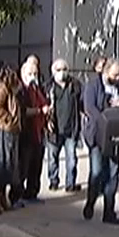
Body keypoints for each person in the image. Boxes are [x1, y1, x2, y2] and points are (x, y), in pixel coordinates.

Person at [82, 59, 119, 225]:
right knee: (96, 171)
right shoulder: (93, 85)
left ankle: (109, 211)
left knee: (113, 174)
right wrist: (105, 120)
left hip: (116, 136)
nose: (118, 78)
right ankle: (91, 201)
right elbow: (89, 108)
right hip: (98, 135)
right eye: (115, 74)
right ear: (106, 71)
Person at [0, 66, 22, 214]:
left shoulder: (2, 89)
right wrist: (9, 119)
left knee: (7, 167)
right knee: (1, 166)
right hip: (1, 132)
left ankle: (1, 200)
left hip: (4, 131)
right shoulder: (1, 90)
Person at [15, 61, 50, 204]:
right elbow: (22, 111)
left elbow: (44, 102)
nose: (33, 76)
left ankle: (32, 193)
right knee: (23, 166)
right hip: (25, 132)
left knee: (36, 166)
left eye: (35, 73)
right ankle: (17, 195)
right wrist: (39, 111)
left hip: (38, 132)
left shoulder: (37, 89)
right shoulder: (20, 91)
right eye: (30, 74)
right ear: (23, 74)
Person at [46, 58, 82, 192]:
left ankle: (70, 183)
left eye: (64, 69)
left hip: (70, 129)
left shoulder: (75, 85)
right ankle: (53, 180)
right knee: (52, 159)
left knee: (71, 159)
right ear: (53, 71)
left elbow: (81, 102)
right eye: (58, 70)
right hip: (54, 129)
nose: (62, 72)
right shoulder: (48, 87)